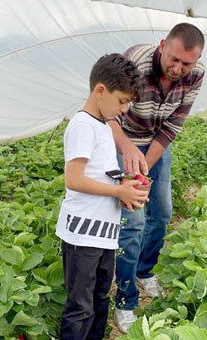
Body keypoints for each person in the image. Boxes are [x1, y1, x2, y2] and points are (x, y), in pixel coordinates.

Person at [110, 22, 205, 333]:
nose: (178, 68)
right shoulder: (135, 64)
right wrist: (127, 153)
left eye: (186, 63)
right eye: (173, 59)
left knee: (161, 212)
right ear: (163, 45)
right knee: (132, 220)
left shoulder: (196, 75)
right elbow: (108, 113)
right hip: (121, 138)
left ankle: (144, 269)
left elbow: (172, 127)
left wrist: (144, 165)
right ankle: (125, 301)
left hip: (154, 144)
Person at [55, 53, 148, 340]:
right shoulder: (83, 125)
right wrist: (118, 190)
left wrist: (125, 187)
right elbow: (74, 179)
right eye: (122, 101)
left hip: (103, 233)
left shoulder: (103, 126)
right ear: (100, 91)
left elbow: (99, 174)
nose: (124, 109)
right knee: (80, 306)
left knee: (99, 301)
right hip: (82, 235)